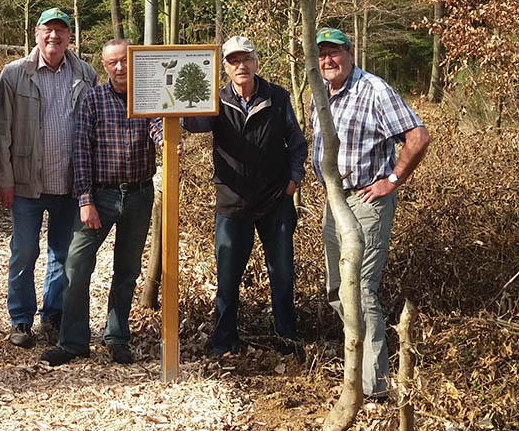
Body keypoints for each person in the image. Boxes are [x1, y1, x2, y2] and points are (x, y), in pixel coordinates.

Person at [310, 27, 430, 400]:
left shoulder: (373, 90)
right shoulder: (321, 94)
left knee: (361, 289)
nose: (328, 60)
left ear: (350, 53)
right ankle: (356, 365)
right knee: (337, 290)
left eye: (335, 53)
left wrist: (392, 180)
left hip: (366, 203)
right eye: (322, 55)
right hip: (335, 201)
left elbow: (418, 136)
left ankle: (374, 387)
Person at [183, 36, 308, 357]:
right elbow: (194, 123)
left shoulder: (277, 97)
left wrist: (292, 183)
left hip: (274, 202)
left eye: (246, 59)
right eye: (234, 61)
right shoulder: (216, 100)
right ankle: (224, 340)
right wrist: (179, 102)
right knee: (227, 277)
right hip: (231, 203)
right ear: (224, 67)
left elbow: (297, 144)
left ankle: (287, 337)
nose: (241, 66)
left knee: (281, 272)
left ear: (256, 62)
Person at [40, 39, 162, 366]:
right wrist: (85, 201)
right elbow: (80, 152)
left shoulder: (147, 95)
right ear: (104, 66)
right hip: (101, 195)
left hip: (139, 194)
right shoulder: (93, 99)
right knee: (76, 265)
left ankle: (117, 336)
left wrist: (170, 143)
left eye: (124, 61)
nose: (120, 68)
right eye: (113, 63)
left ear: (133, 61)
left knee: (127, 269)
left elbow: (158, 127)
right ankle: (73, 341)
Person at [0, 8, 97, 349]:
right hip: (25, 183)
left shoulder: (86, 74)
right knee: (24, 251)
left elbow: (95, 130)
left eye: (61, 31)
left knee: (62, 254)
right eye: (48, 30)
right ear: (37, 34)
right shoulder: (14, 73)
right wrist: (2, 179)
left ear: (69, 37)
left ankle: (53, 315)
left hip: (69, 184)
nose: (54, 37)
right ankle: (20, 318)